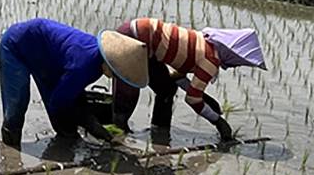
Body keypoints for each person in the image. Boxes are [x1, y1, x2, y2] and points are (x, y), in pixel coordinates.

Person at [0, 18, 150, 147]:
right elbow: (58, 101)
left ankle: (65, 144)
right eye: (116, 73)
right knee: (17, 105)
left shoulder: (97, 65)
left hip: (47, 59)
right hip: (17, 45)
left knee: (65, 125)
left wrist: (85, 117)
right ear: (110, 62)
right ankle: (10, 151)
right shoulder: (83, 64)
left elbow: (73, 92)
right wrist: (90, 123)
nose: (114, 78)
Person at [111, 18, 267, 140]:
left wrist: (204, 97)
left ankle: (159, 132)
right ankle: (117, 139)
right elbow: (192, 99)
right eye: (238, 62)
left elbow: (177, 78)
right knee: (128, 92)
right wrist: (218, 122)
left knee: (166, 89)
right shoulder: (210, 60)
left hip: (144, 41)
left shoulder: (204, 41)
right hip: (133, 38)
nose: (235, 66)